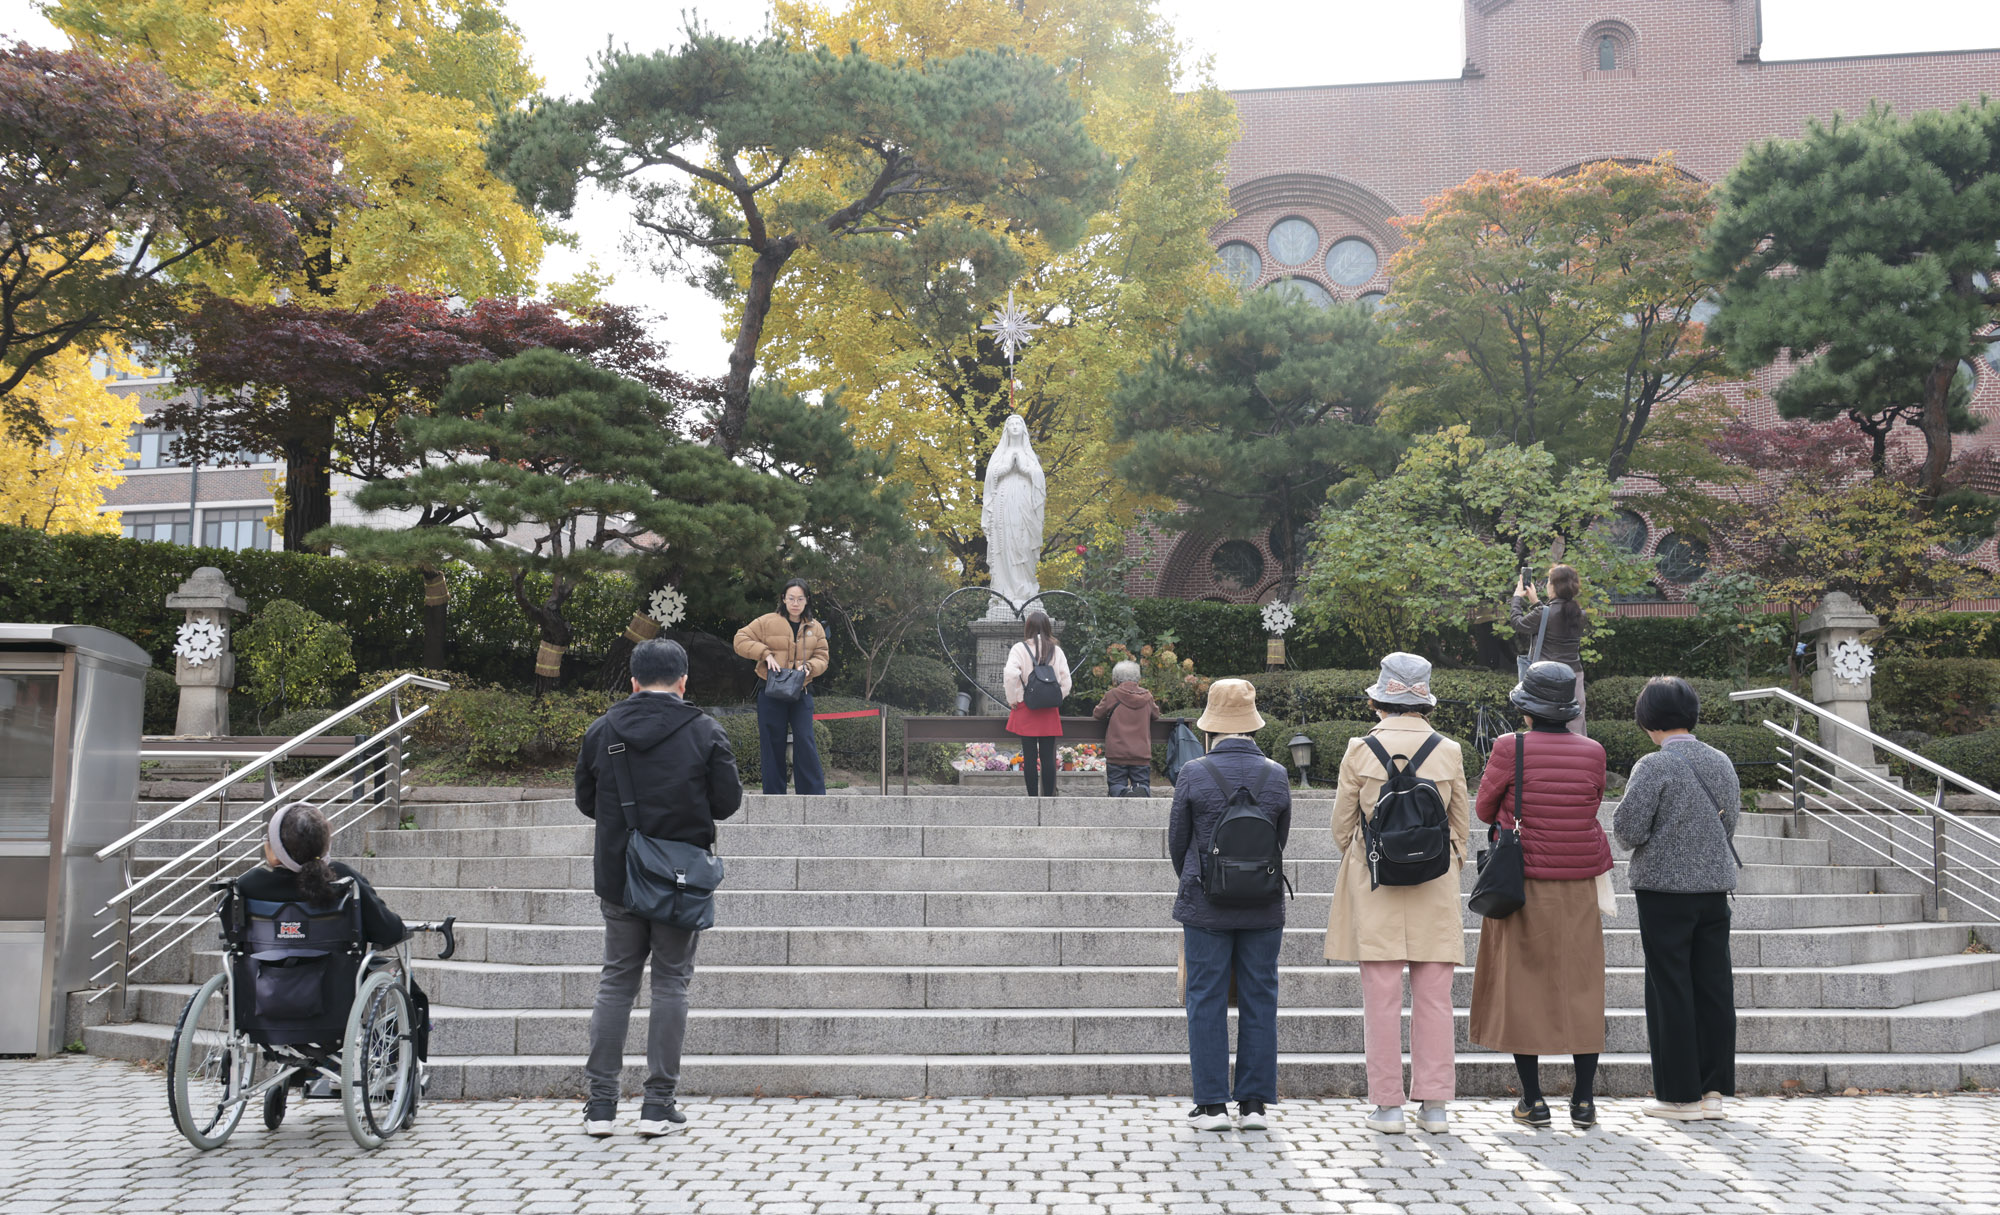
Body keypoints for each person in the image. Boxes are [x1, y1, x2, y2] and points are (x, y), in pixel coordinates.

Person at [574, 637, 744, 1139]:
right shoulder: (706, 731)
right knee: (671, 983)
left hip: (619, 877)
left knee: (616, 982)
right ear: (683, 681)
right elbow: (727, 802)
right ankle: (657, 1104)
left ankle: (601, 1106)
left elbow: (587, 800)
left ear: (633, 681)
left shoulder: (602, 730)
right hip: (680, 882)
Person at [1326, 652, 1471, 1135]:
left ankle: (1387, 1106)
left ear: (1378, 700)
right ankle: (1434, 1107)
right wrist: (1449, 862)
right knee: (1435, 998)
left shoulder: (1359, 749)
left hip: (1377, 883)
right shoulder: (1448, 750)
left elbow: (1341, 827)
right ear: (1424, 702)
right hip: (1434, 884)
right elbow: (1461, 827)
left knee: (1381, 998)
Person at [1469, 661, 1613, 1130]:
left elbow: (1484, 808)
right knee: (1583, 986)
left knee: (1522, 986)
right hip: (1578, 882)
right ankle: (1585, 1101)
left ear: (1526, 708)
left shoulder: (1510, 747)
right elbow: (1590, 804)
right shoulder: (1594, 751)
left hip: (1522, 881)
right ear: (1568, 709)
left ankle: (1533, 1101)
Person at [1613, 676, 1740, 1122]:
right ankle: (1713, 1093)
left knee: (1670, 989)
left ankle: (1678, 1096)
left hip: (1664, 891)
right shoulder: (1721, 761)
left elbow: (1628, 831)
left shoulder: (1653, 765)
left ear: (1647, 718)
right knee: (1714, 987)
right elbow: (1730, 823)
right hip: (1713, 888)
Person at [1169, 678, 1291, 1131]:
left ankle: (1212, 1105)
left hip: (1205, 903)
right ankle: (1255, 1104)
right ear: (1252, 725)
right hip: (1263, 904)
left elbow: (1177, 843)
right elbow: (1279, 839)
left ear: (1211, 725)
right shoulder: (1276, 774)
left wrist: (1201, 879)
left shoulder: (1194, 773)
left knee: (1206, 997)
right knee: (1261, 996)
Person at [237, 801, 405, 947]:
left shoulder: (248, 884)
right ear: (324, 842)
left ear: (275, 847)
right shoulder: (343, 879)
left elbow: (235, 934)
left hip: (261, 979)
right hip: (335, 978)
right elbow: (389, 932)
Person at [733, 579, 830, 795]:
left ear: (807, 601)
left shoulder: (815, 627)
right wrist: (764, 653)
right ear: (783, 599)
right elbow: (739, 640)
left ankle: (812, 795)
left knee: (805, 739)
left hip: (802, 690)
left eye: (800, 599)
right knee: (771, 741)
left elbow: (823, 657)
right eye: (791, 598)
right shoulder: (767, 621)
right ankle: (774, 795)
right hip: (770, 689)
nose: (795, 603)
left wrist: (810, 667)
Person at [1511, 564, 1589, 734]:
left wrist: (1517, 597)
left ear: (1553, 586)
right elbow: (1556, 621)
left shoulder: (1544, 612)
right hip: (1573, 676)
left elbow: (1518, 623)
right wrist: (1536, 603)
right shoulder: (1580, 614)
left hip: (1547, 677)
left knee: (1545, 725)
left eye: (1548, 581)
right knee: (1575, 725)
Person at [1004, 610, 1072, 797]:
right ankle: (1048, 798)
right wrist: (1055, 697)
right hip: (1049, 709)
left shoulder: (1019, 648)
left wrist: (1014, 699)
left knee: (1030, 756)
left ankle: (1033, 797)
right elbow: (1066, 681)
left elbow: (1010, 675)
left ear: (1028, 628)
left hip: (1027, 706)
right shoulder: (1056, 650)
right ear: (1048, 627)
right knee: (1048, 757)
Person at [1093, 660, 1161, 796]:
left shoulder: (1112, 695)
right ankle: (1140, 790)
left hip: (1117, 752)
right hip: (1141, 753)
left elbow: (1097, 714)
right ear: (1138, 678)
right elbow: (1156, 715)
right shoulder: (1147, 696)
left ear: (1116, 679)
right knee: (1142, 783)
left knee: (1116, 783)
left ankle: (1121, 792)